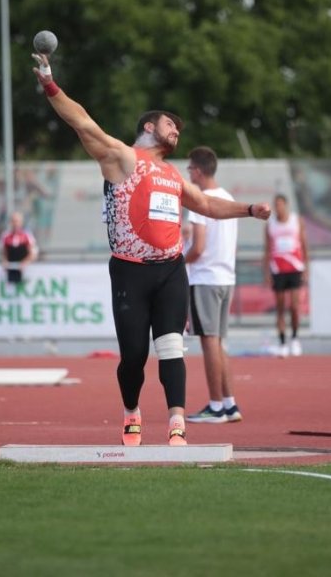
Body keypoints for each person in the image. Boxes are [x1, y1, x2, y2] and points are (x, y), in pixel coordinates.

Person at [32, 51, 270, 446]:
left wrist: (248, 210)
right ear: (148, 125)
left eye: (179, 128)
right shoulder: (124, 158)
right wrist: (50, 83)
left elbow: (208, 205)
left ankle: (177, 421)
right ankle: (131, 410)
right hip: (129, 270)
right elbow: (82, 122)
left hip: (171, 269)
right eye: (170, 124)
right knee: (133, 357)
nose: (177, 130)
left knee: (172, 347)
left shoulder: (173, 174)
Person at [182, 146, 243, 425]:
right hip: (225, 277)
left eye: (189, 169)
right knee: (218, 343)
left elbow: (199, 247)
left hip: (205, 278)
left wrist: (177, 261)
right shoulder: (228, 198)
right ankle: (228, 403)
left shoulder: (201, 200)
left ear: (198, 170)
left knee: (209, 343)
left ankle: (216, 405)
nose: (188, 174)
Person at [264, 194, 308, 357]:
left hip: (295, 267)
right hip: (278, 269)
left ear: (286, 205)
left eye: (281, 204)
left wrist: (306, 267)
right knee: (281, 308)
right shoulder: (271, 225)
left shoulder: (296, 221)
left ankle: (295, 338)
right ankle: (282, 341)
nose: (278, 208)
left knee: (295, 306)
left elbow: (304, 244)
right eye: (276, 205)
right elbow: (267, 249)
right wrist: (266, 272)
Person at [1, 211, 38, 283]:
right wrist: (5, 261)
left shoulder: (27, 236)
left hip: (25, 270)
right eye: (13, 221)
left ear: (21, 222)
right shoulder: (6, 236)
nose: (15, 224)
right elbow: (4, 252)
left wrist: (25, 262)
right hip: (11, 271)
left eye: (17, 221)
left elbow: (33, 254)